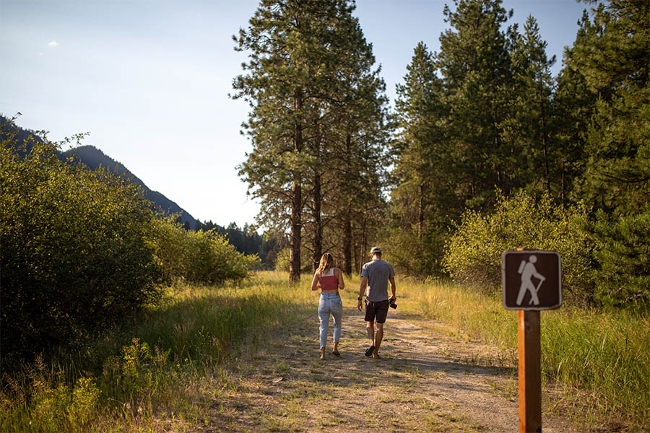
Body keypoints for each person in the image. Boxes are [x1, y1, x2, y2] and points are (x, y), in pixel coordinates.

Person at [357, 246, 396, 359]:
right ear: (381, 254)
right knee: (380, 326)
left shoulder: (367, 266)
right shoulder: (388, 266)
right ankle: (376, 353)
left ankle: (371, 344)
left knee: (369, 323)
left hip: (370, 299)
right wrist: (393, 295)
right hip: (383, 300)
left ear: (371, 255)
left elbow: (363, 284)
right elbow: (392, 283)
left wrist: (360, 298)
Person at [311, 253, 345, 360]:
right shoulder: (337, 271)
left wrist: (321, 285)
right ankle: (335, 347)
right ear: (332, 260)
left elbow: (313, 287)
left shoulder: (318, 272)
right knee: (337, 324)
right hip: (335, 298)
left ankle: (323, 353)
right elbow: (342, 286)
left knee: (323, 326)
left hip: (324, 299)